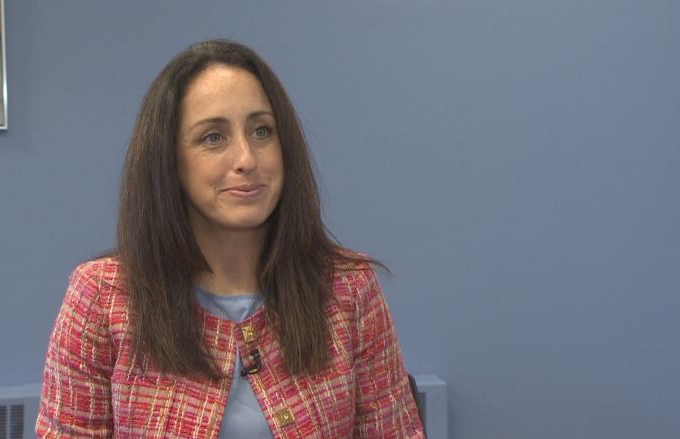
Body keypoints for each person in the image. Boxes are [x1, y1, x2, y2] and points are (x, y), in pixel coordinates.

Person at [36, 39, 424, 438]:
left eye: (261, 131)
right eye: (213, 138)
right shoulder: (103, 296)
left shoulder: (349, 288)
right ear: (169, 160)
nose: (246, 159)